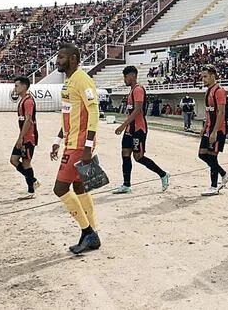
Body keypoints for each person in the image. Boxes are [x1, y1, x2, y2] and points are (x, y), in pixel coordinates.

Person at [50, 44, 101, 254]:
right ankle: (93, 234)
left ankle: (88, 231)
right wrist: (57, 138)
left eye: (61, 57)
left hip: (80, 146)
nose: (57, 61)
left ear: (73, 58)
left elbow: (94, 112)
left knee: (60, 189)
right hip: (71, 142)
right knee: (79, 189)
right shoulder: (68, 82)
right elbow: (70, 116)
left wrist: (88, 146)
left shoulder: (82, 79)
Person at [113, 66, 170, 194]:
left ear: (132, 75)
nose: (124, 80)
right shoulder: (131, 91)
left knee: (138, 157)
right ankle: (126, 184)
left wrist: (123, 125)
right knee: (125, 154)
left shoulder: (138, 89)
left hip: (138, 129)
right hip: (130, 129)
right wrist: (126, 126)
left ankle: (163, 174)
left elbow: (137, 110)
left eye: (125, 77)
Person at [198, 64, 228, 196]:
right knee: (202, 154)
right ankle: (224, 174)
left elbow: (221, 113)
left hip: (218, 130)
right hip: (209, 128)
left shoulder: (219, 91)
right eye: (202, 77)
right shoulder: (208, 91)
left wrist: (214, 131)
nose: (203, 79)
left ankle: (214, 186)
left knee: (212, 156)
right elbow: (209, 112)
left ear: (213, 76)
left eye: (205, 77)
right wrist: (205, 127)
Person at [10, 76, 40, 200]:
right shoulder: (22, 100)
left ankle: (31, 190)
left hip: (28, 138)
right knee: (13, 160)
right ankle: (33, 180)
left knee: (26, 162)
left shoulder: (28, 101)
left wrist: (21, 138)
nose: (15, 88)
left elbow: (28, 120)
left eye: (17, 86)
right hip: (24, 136)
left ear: (24, 86)